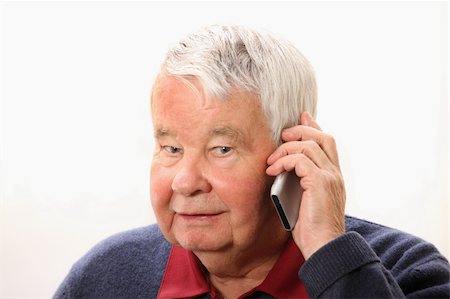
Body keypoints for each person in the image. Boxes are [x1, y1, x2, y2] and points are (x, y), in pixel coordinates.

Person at [54, 25, 450, 298]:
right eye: (171, 149)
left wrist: (331, 252)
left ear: (295, 154)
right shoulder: (106, 274)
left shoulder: (407, 271)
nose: (185, 182)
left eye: (221, 149)